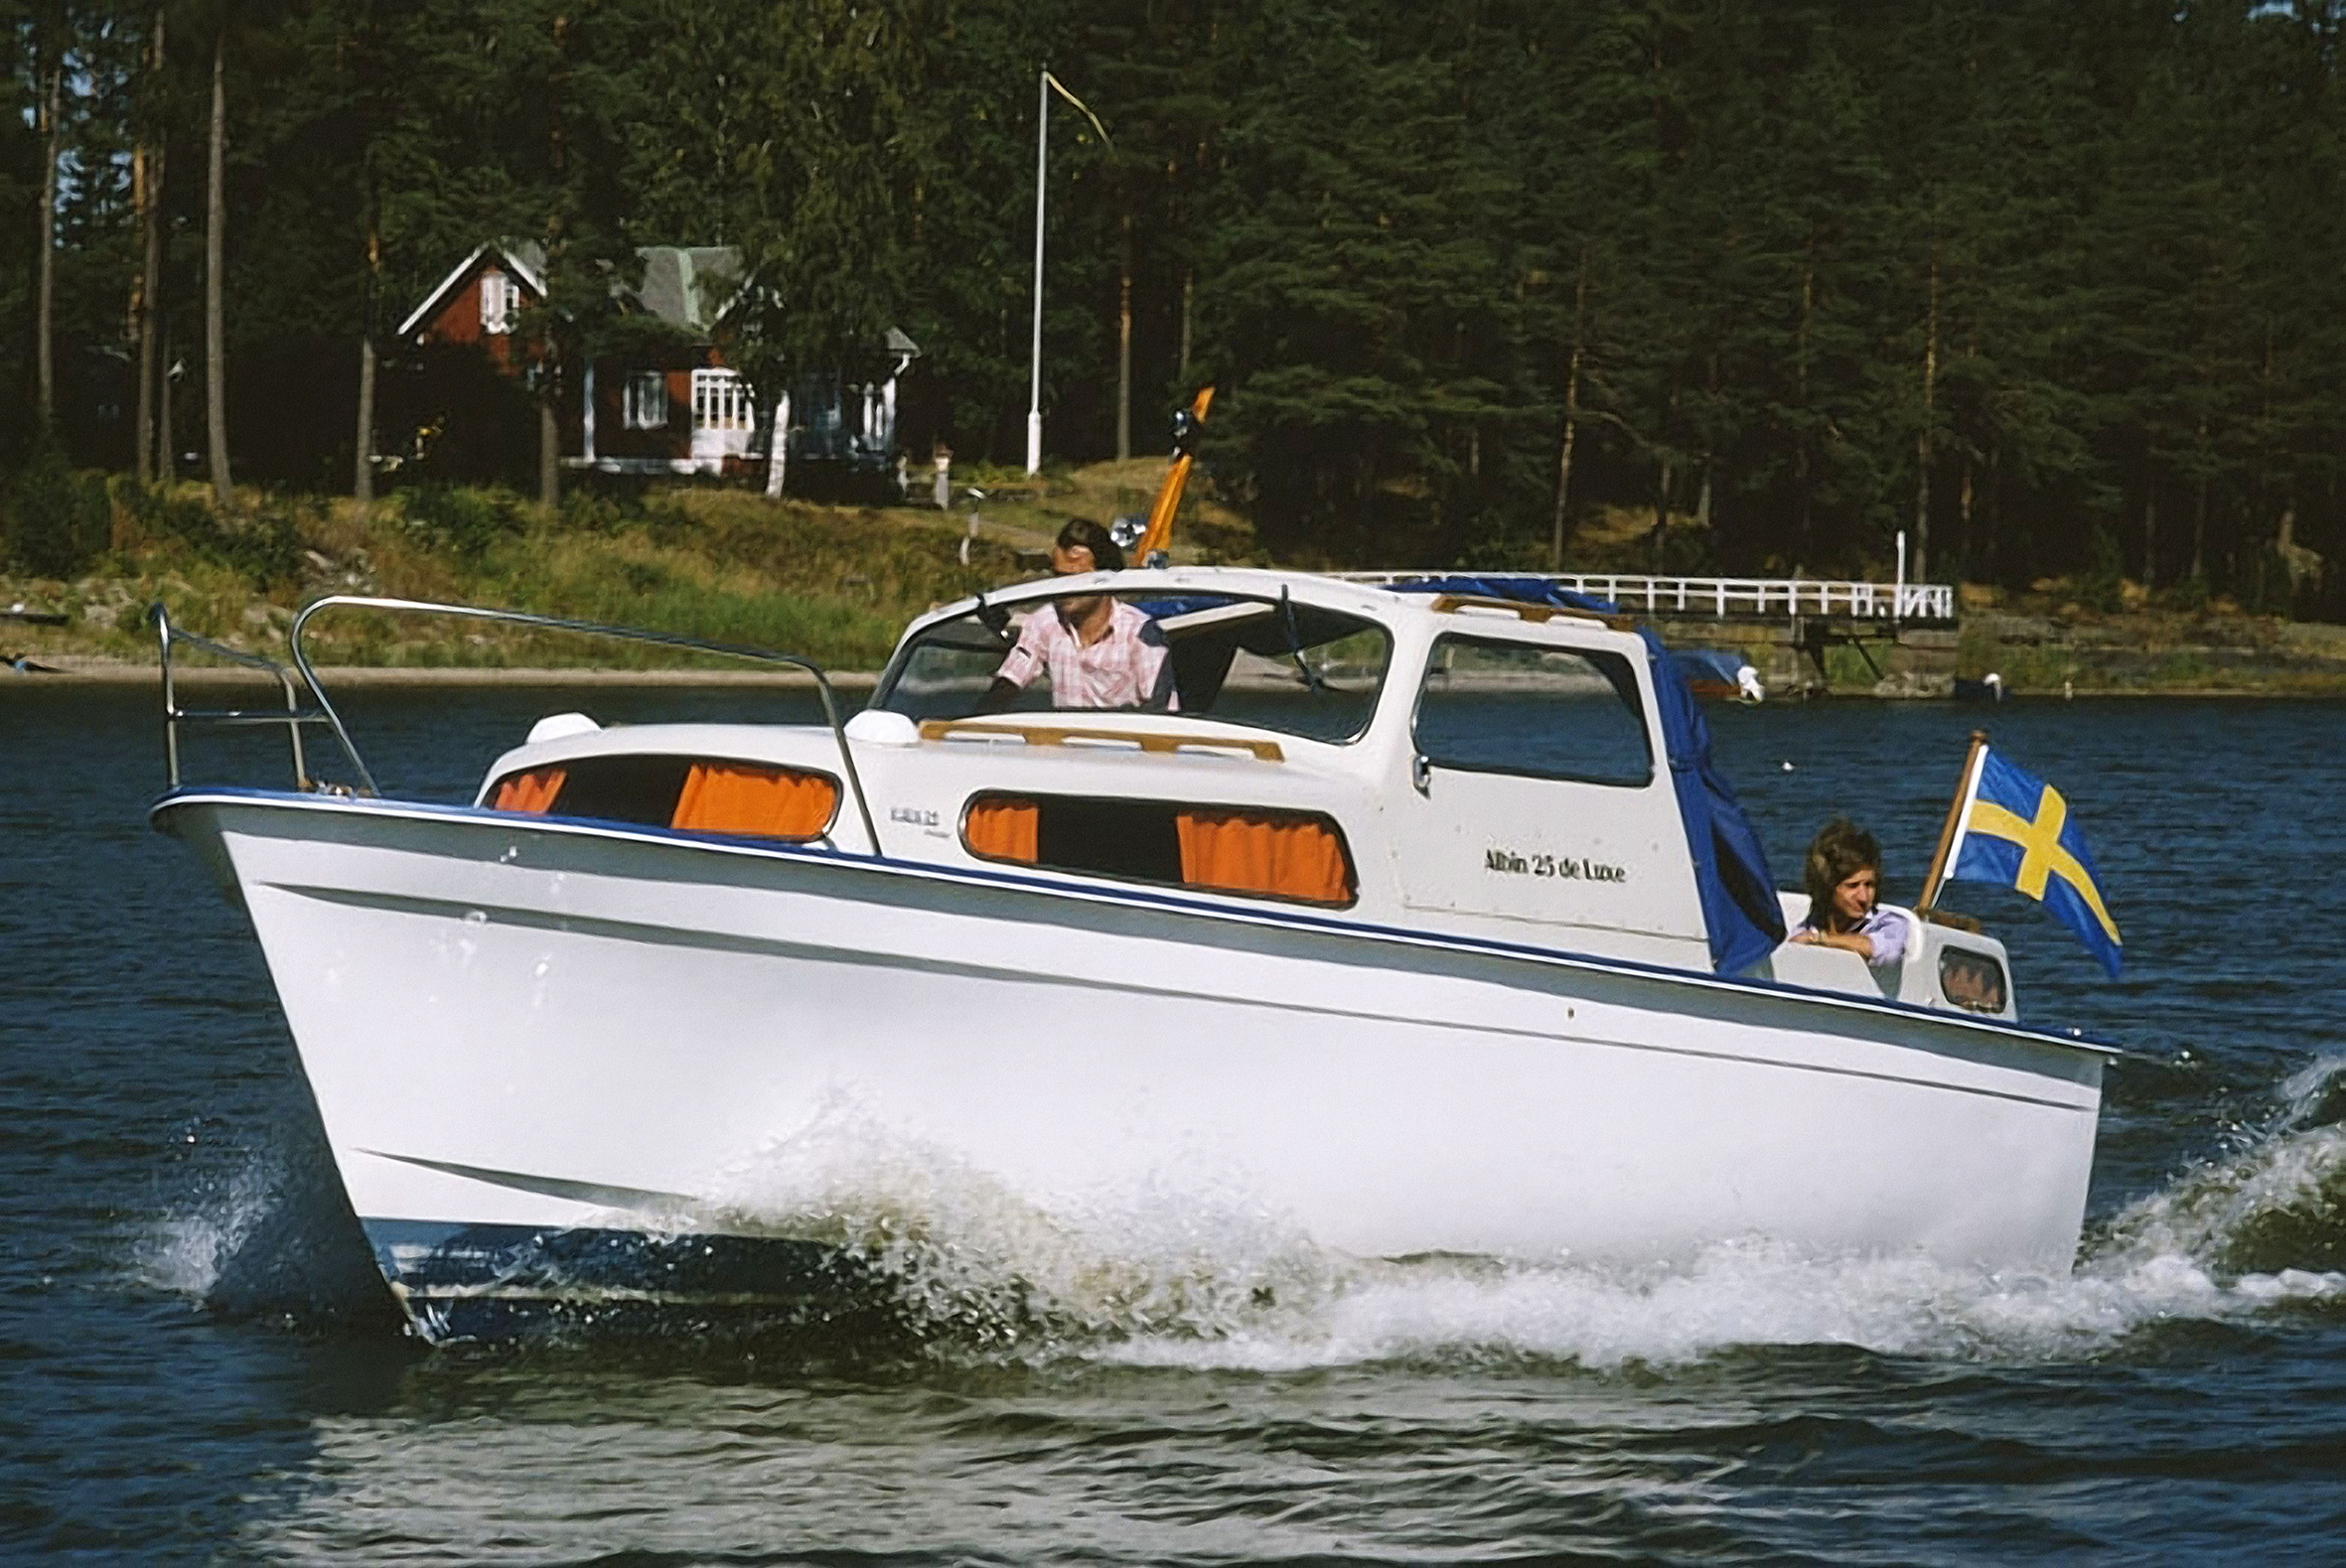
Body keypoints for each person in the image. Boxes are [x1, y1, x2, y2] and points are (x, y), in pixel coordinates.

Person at [981, 519, 1174, 712]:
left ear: (1106, 577)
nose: (1065, 588)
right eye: (1059, 577)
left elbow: (1162, 709)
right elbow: (1010, 680)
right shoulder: (1045, 622)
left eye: (1076, 579)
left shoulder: (1138, 633)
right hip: (1063, 738)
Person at [1789, 817, 1909, 967]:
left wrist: (1821, 940)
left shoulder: (1890, 924)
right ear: (1827, 887)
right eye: (1852, 886)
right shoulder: (1807, 927)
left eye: (1869, 885)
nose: (1863, 897)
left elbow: (1884, 951)